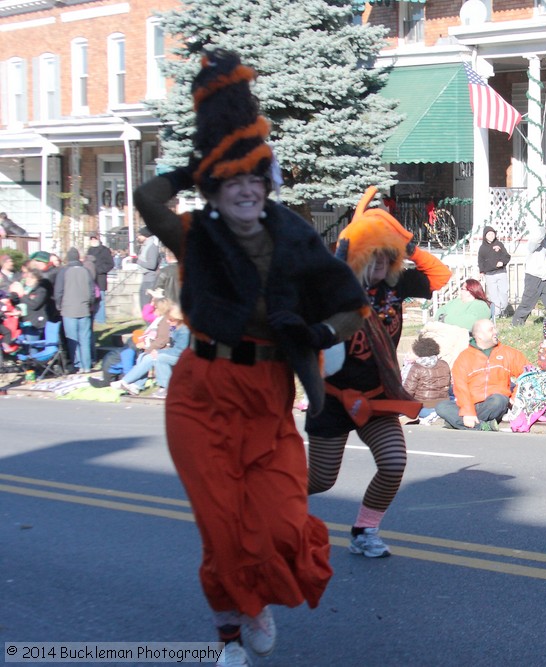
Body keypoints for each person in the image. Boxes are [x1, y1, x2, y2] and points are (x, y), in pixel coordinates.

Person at [133, 50, 370, 667]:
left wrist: (317, 332)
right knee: (220, 526)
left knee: (280, 524)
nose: (243, 189)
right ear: (216, 188)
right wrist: (202, 163)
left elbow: (351, 305)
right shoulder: (196, 235)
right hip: (201, 391)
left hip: (266, 391)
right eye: (231, 180)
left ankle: (256, 601)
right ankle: (232, 634)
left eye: (253, 179)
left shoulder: (295, 237)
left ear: (267, 186)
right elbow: (147, 196)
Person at [305, 185, 451, 559]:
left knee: (393, 463)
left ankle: (364, 530)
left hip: (378, 396)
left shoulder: (396, 286)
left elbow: (441, 275)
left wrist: (405, 242)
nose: (377, 268)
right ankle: (267, 500)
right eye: (369, 259)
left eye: (384, 260)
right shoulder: (332, 290)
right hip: (334, 400)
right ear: (354, 258)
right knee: (320, 480)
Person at [436, 318, 529, 430]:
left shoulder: (509, 353)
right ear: (479, 336)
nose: (496, 332)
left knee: (499, 400)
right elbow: (460, 387)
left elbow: (528, 375)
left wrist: (515, 397)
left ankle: (458, 423)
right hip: (471, 405)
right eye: (491, 329)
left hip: (495, 404)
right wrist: (468, 411)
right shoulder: (464, 357)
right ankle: (482, 426)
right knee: (441, 407)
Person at [54, 248, 96, 373]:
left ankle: (78, 365)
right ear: (78, 258)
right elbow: (92, 291)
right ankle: (87, 366)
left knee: (72, 339)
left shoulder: (63, 271)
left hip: (68, 310)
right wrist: (90, 304)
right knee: (85, 338)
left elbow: (58, 291)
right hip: (84, 309)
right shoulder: (86, 271)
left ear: (68, 258)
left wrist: (58, 305)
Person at [511, 222, 546, 326]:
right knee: (528, 302)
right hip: (533, 276)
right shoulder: (532, 244)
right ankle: (516, 323)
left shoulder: (544, 244)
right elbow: (538, 239)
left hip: (543, 277)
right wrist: (542, 230)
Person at [401, 335, 451, 425]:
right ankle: (435, 415)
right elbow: (448, 384)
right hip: (443, 404)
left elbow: (408, 392)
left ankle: (417, 416)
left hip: (424, 405)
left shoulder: (417, 367)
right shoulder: (444, 364)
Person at [478, 225, 511, 318]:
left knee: (503, 292)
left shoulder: (499, 244)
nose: (491, 236)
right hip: (489, 274)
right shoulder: (482, 248)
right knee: (493, 295)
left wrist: (502, 262)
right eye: (489, 234)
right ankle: (496, 314)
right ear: (485, 236)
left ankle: (503, 310)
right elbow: (480, 260)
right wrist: (481, 271)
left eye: (492, 234)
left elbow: (507, 256)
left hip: (501, 272)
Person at [86, 234, 114, 324]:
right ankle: (94, 318)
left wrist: (99, 270)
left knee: (101, 300)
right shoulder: (89, 250)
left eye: (94, 238)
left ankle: (101, 320)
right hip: (91, 279)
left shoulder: (105, 250)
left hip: (100, 278)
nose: (93, 240)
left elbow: (110, 264)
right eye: (91, 239)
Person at [135, 226, 160, 309]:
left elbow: (152, 265)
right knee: (144, 306)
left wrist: (138, 261)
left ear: (145, 235)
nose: (137, 237)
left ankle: (150, 322)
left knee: (146, 307)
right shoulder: (145, 246)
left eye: (140, 235)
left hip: (150, 280)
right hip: (146, 278)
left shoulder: (152, 247)